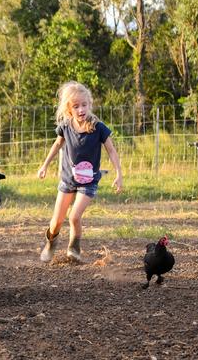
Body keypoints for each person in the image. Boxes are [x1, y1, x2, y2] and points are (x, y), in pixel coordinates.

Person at [37, 81, 123, 263]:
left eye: (84, 105)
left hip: (89, 181)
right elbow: (57, 144)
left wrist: (118, 174)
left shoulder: (98, 128)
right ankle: (50, 243)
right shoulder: (66, 126)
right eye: (76, 106)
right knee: (56, 222)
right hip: (68, 180)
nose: (81, 109)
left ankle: (74, 249)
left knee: (74, 216)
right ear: (69, 109)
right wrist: (44, 165)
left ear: (89, 104)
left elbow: (112, 151)